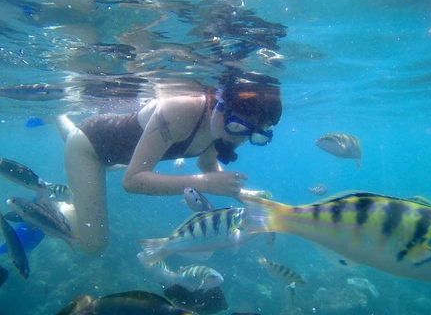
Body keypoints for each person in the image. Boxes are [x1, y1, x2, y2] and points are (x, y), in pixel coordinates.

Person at [56, 82, 282, 254]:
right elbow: (132, 181)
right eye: (238, 128)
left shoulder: (223, 126)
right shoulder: (181, 109)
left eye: (255, 135)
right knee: (94, 245)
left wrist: (241, 193)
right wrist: (203, 183)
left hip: (120, 158)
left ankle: (61, 122)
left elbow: (206, 164)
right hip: (90, 149)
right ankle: (55, 205)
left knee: (96, 156)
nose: (240, 140)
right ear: (221, 108)